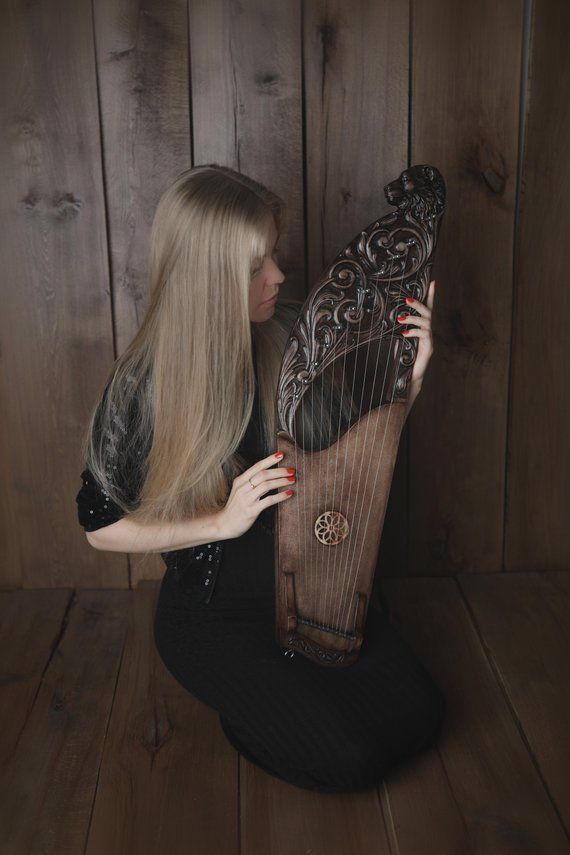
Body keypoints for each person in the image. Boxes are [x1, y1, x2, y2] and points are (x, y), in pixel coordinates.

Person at [75, 164, 444, 792]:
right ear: (207, 280)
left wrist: (411, 378)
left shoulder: (291, 338)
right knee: (347, 762)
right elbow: (100, 529)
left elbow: (351, 446)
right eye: (255, 267)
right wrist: (222, 521)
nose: (277, 274)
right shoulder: (142, 386)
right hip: (214, 617)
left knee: (421, 717)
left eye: (273, 253)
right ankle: (256, 712)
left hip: (314, 594)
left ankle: (293, 699)